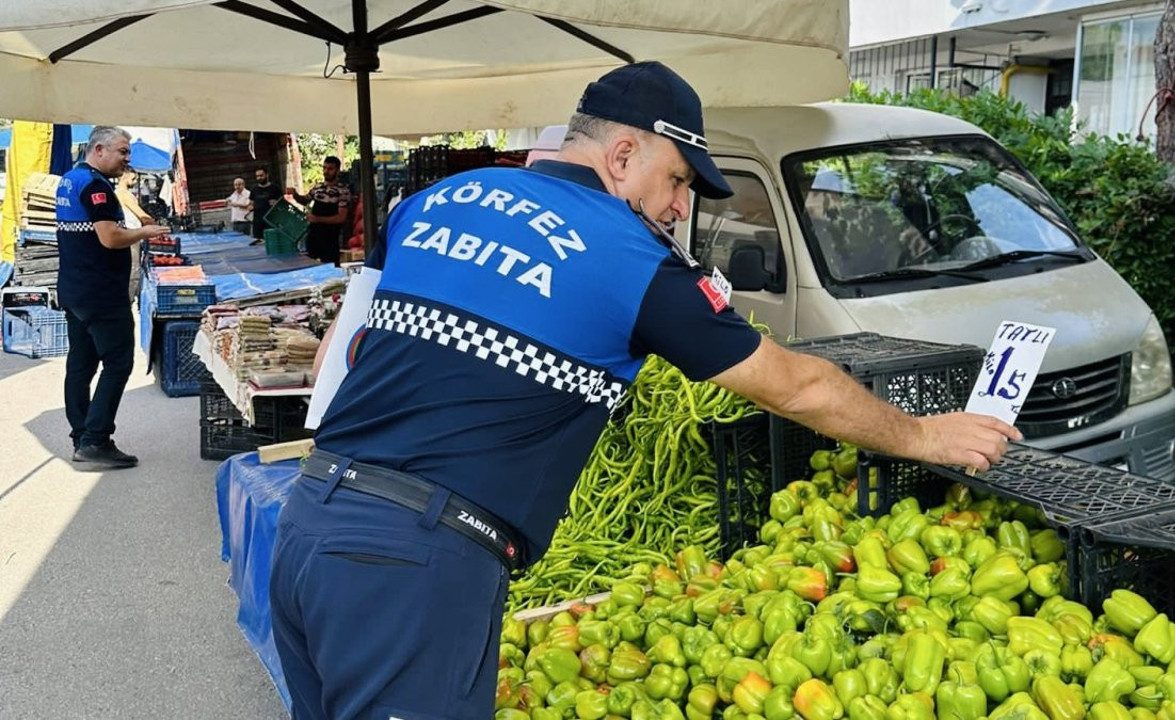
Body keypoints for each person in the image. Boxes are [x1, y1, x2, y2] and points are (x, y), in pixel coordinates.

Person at [268, 62, 1021, 720]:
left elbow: (359, 342)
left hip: (308, 521)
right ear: (623, 154)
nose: (680, 207)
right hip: (413, 565)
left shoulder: (437, 201)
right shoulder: (626, 257)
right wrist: (926, 437)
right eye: (679, 180)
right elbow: (797, 388)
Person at [56, 126, 171, 469]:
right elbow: (109, 237)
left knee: (81, 364)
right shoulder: (95, 187)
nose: (127, 159)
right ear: (100, 149)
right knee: (118, 362)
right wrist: (144, 232)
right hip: (100, 294)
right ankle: (95, 440)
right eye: (122, 151)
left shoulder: (69, 179)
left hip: (75, 289)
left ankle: (81, 435)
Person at [287, 156, 350, 264]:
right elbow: (305, 200)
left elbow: (341, 218)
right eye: (324, 168)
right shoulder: (318, 187)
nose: (326, 171)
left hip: (330, 238)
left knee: (331, 268)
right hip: (314, 235)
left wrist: (317, 219)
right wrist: (295, 194)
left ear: (337, 170)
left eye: (330, 169)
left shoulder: (343, 191)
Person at [115, 167, 155, 301]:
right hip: (131, 234)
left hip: (128, 233)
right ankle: (129, 299)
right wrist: (154, 225)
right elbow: (139, 213)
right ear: (124, 176)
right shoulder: (123, 193)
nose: (135, 180)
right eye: (133, 178)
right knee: (133, 269)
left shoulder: (120, 193)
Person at [249, 165, 283, 241]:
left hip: (272, 221)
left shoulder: (275, 188)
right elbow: (251, 203)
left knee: (273, 241)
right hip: (258, 223)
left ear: (267, 175)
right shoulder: (254, 189)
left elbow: (283, 204)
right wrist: (250, 207)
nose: (259, 178)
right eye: (257, 176)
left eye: (261, 176)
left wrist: (277, 203)